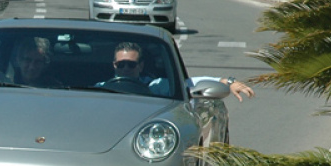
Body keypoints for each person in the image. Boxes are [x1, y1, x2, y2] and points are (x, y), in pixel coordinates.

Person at [98, 41, 255, 100]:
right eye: (121, 65)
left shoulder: (156, 87)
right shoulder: (99, 89)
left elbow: (191, 83)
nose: (125, 69)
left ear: (140, 66)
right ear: (114, 65)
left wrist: (228, 82)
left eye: (131, 65)